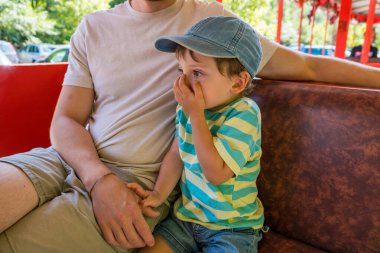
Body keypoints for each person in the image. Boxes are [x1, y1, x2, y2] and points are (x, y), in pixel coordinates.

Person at [0, 0, 380, 252]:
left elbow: (309, 66)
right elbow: (66, 119)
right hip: (62, 158)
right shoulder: (93, 26)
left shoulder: (214, 24)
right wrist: (96, 177)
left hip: (137, 181)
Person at [126, 16, 264, 253]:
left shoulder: (244, 114)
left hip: (233, 229)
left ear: (238, 83)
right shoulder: (187, 109)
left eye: (197, 73)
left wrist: (196, 115)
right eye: (182, 70)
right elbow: (175, 153)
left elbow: (216, 173)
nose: (183, 81)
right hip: (187, 220)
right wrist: (159, 194)